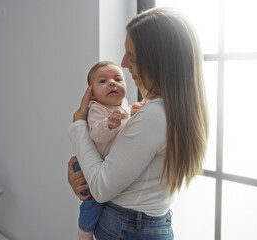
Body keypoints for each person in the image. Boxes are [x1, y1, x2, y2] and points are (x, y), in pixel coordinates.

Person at [68, 7, 209, 240]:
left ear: (156, 60)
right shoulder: (173, 110)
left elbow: (102, 188)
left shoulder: (154, 116)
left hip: (126, 227)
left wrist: (78, 125)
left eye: (131, 56)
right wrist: (83, 175)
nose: (123, 63)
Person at [74, 61, 132, 240]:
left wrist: (133, 113)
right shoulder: (96, 108)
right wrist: (109, 124)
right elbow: (97, 134)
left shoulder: (125, 104)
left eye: (117, 79)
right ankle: (84, 232)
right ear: (91, 94)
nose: (112, 83)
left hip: (106, 167)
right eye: (103, 81)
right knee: (92, 204)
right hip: (89, 167)